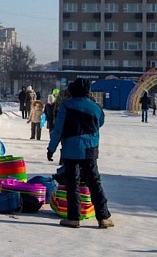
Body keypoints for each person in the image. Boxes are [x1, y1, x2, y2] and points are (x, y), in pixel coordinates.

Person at [47, 78, 114, 229]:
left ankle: (73, 218)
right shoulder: (95, 107)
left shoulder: (66, 106)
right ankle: (103, 217)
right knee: (94, 182)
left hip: (71, 149)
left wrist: (51, 148)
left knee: (73, 184)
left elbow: (58, 129)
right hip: (90, 147)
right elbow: (100, 122)